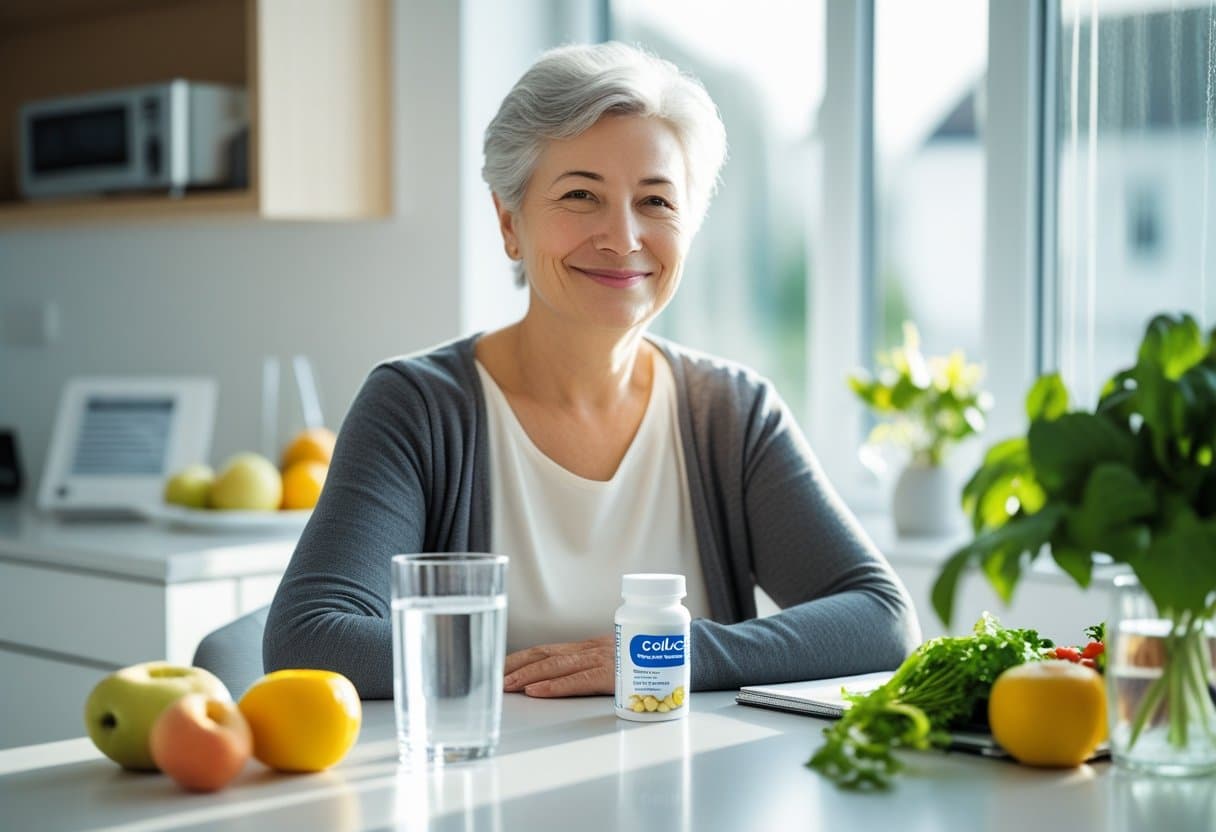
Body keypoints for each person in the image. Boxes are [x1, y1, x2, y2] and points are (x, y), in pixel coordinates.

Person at [263, 42, 920, 699]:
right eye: (581, 194)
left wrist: (655, 655)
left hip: (696, 790)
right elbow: (311, 637)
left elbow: (881, 620)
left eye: (657, 201)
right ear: (509, 221)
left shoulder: (731, 413)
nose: (624, 237)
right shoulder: (416, 407)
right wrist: (557, 670)